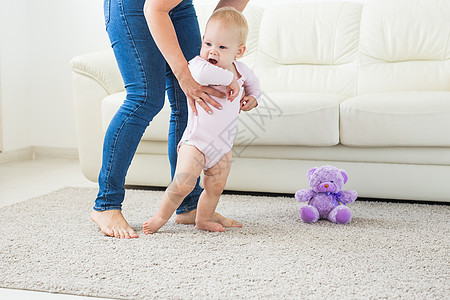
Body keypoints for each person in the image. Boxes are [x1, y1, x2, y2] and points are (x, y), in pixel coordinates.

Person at [90, 0, 257, 239]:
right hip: (134, 5)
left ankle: (189, 205)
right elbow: (154, 9)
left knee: (193, 98)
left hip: (176, 6)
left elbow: (227, 13)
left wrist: (219, 46)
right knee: (145, 97)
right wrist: (183, 74)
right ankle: (106, 204)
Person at [143, 7, 261, 234]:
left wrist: (252, 98)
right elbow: (199, 74)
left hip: (222, 146)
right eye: (208, 44)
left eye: (222, 47)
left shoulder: (242, 71)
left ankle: (203, 219)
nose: (212, 51)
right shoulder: (199, 64)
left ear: (239, 51)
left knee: (216, 186)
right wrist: (230, 80)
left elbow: (255, 85)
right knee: (182, 184)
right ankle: (160, 216)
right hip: (196, 142)